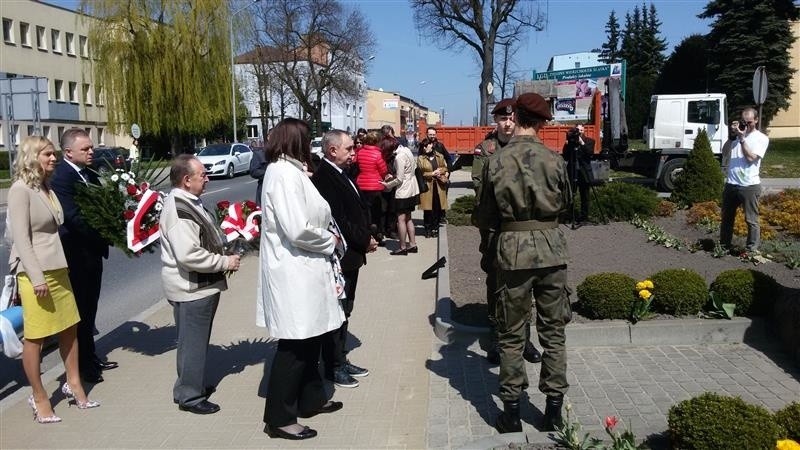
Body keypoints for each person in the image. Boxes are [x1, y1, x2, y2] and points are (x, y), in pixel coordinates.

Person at [473, 93, 572, 433]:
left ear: (515, 116)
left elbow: (484, 215)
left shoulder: (496, 160)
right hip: (551, 251)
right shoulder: (555, 159)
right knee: (553, 333)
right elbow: (568, 205)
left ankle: (511, 413)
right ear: (542, 122)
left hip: (512, 250)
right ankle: (554, 411)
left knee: (512, 334)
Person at [257, 118, 346, 441]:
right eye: (307, 140)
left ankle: (310, 399)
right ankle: (279, 417)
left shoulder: (291, 171)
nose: (311, 146)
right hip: (294, 271)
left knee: (311, 339)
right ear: (295, 141)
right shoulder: (281, 174)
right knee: (295, 345)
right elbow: (296, 228)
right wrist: (329, 241)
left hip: (306, 269)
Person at [9, 136, 100, 424]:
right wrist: (36, 278)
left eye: (54, 154)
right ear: (32, 157)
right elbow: (22, 239)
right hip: (35, 273)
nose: (53, 158)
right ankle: (39, 396)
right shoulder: (19, 190)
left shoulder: (45, 187)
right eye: (48, 154)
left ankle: (74, 385)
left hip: (58, 270)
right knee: (36, 337)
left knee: (69, 329)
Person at [159, 155, 240, 415]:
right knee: (193, 343)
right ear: (186, 180)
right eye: (202, 175)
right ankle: (191, 396)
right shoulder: (180, 209)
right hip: (192, 288)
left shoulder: (186, 202)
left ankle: (185, 388)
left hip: (194, 286)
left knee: (189, 342)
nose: (207, 179)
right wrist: (224, 261)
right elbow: (188, 254)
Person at [472, 98, 542, 366]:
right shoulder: (485, 150)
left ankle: (524, 338)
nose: (508, 123)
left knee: (524, 280)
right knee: (495, 280)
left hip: (522, 226)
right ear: (496, 121)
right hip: (493, 226)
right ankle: (498, 338)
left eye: (512, 119)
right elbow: (480, 188)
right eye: (503, 119)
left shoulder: (529, 148)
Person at [312, 129, 377, 389]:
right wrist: (364, 239)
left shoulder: (341, 173)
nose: (354, 153)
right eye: (349, 148)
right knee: (338, 311)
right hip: (342, 255)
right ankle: (333, 366)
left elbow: (357, 208)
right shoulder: (325, 178)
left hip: (353, 253)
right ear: (332, 151)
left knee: (345, 309)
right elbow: (340, 220)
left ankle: (341, 358)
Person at [51, 128, 115, 384]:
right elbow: (74, 217)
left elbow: (103, 205)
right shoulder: (61, 178)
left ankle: (90, 355)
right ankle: (82, 366)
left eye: (91, 148)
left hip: (93, 253)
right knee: (80, 311)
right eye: (85, 149)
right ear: (68, 152)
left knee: (91, 307)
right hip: (76, 253)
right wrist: (104, 231)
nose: (92, 152)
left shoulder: (90, 173)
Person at [720, 107, 769, 253]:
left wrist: (742, 139)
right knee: (727, 218)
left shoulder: (761, 138)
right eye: (743, 121)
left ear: (756, 120)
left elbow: (751, 158)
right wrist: (732, 137)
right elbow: (724, 153)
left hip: (749, 185)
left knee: (751, 220)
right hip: (731, 184)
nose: (746, 125)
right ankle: (724, 246)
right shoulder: (737, 136)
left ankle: (751, 250)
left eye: (749, 122)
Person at [354, 130, 390, 244]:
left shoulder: (360, 152)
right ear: (377, 142)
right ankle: (378, 235)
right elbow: (383, 170)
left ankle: (367, 236)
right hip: (375, 186)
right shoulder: (378, 154)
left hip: (361, 185)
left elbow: (356, 163)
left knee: (365, 213)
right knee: (378, 213)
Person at [390, 136, 420, 255]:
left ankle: (402, 247)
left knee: (400, 219)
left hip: (404, 191)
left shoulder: (399, 156)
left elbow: (399, 179)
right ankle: (413, 244)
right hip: (412, 188)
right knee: (408, 218)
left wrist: (387, 184)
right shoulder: (407, 150)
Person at [561, 124, 595, 223]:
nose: (579, 132)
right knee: (571, 194)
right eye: (577, 130)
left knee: (585, 195)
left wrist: (582, 143)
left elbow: (589, 154)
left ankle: (584, 217)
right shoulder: (571, 142)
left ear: (584, 131)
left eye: (581, 130)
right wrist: (567, 144)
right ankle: (570, 215)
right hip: (572, 171)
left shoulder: (589, 141)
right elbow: (566, 156)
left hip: (584, 171)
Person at [417, 137, 449, 237]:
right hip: (427, 186)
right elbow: (421, 173)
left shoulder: (439, 156)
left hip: (439, 185)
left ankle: (435, 228)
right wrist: (432, 173)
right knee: (427, 209)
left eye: (427, 145)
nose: (426, 148)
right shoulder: (421, 158)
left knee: (437, 208)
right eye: (424, 146)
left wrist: (440, 171)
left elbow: (445, 167)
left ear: (432, 145)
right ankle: (427, 229)